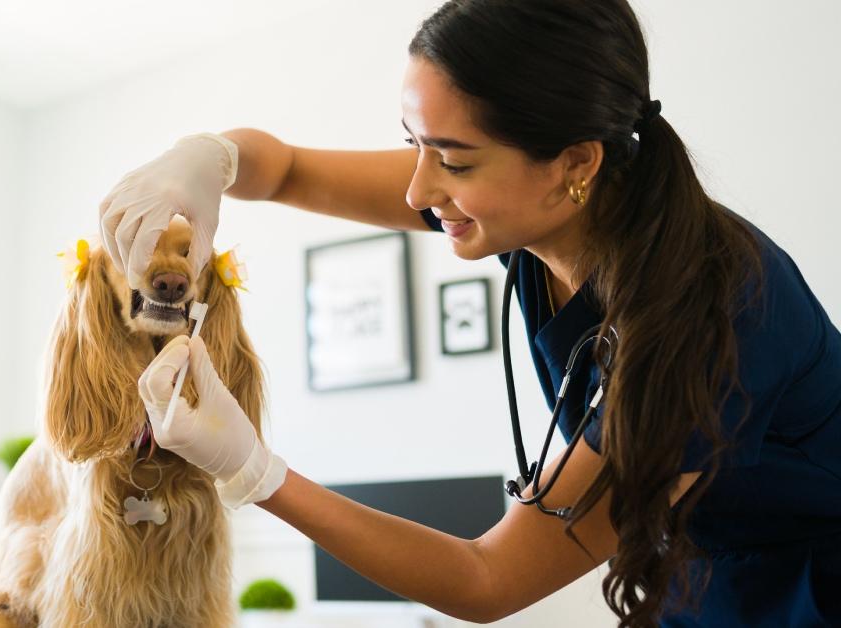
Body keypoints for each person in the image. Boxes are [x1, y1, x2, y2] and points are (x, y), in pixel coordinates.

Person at [99, 1, 841, 625]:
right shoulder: (531, 209)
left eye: (452, 159)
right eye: (411, 143)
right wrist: (206, 160)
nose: (419, 188)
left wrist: (256, 473)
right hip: (696, 572)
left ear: (576, 163)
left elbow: (488, 578)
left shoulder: (715, 319)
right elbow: (286, 167)